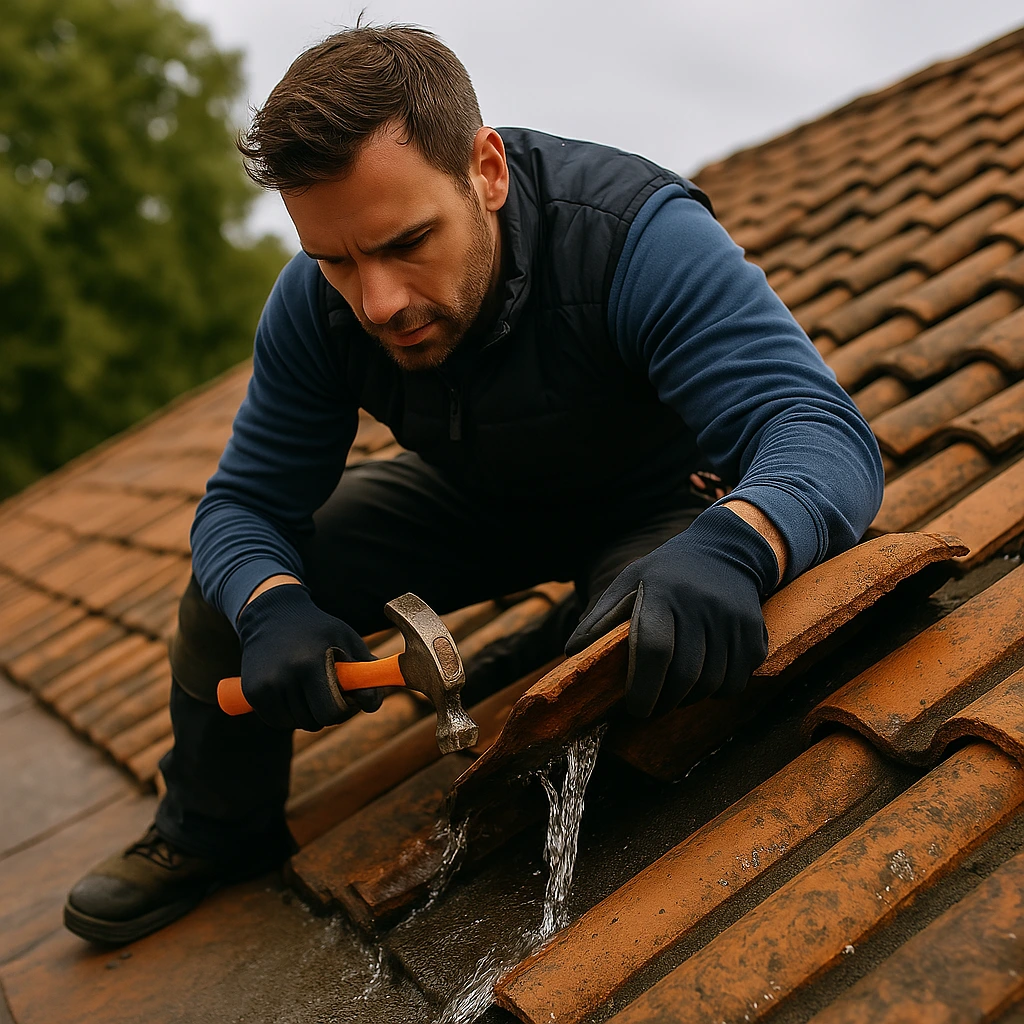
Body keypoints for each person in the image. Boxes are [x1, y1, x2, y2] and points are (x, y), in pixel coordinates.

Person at [64, 22, 883, 945]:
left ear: (485, 171)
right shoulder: (312, 306)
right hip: (474, 503)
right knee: (229, 592)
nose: (379, 303)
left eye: (408, 241)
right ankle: (212, 826)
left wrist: (738, 542)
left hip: (657, 505)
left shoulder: (635, 235)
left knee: (629, 654)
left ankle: (578, 636)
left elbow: (820, 431)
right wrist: (270, 608)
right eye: (337, 261)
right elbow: (243, 506)